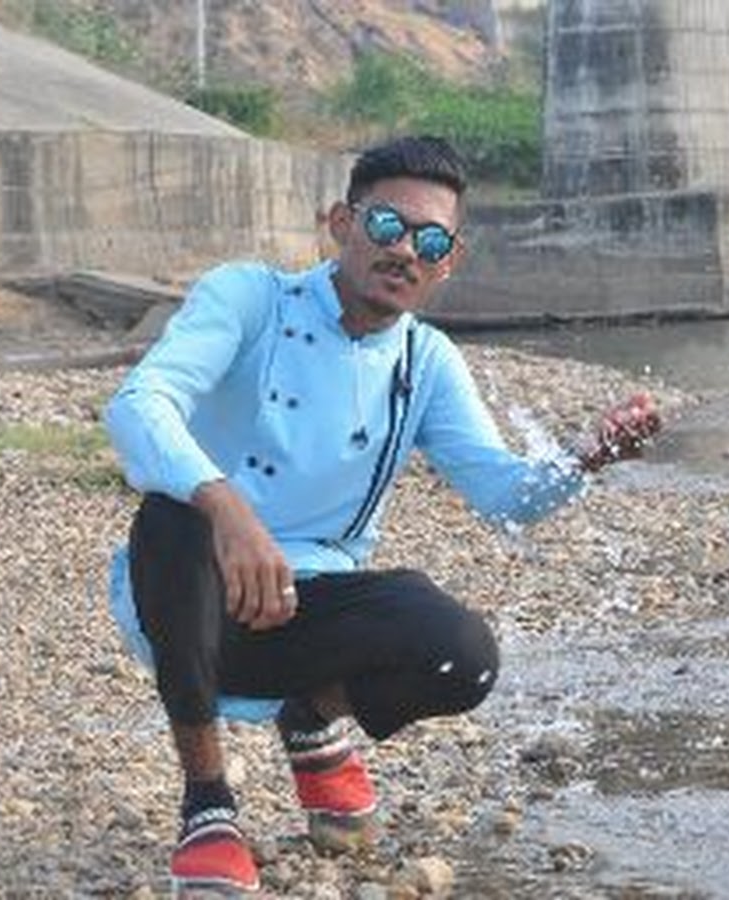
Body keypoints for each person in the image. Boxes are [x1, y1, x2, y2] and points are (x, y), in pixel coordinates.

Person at [105, 134, 661, 895]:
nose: (405, 251)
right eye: (388, 226)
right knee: (173, 517)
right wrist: (226, 505)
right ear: (342, 224)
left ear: (448, 262)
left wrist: (586, 458)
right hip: (186, 598)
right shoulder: (250, 299)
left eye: (430, 241)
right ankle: (208, 805)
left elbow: (505, 495)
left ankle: (311, 716)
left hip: (312, 606)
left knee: (462, 653)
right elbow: (141, 402)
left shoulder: (425, 361)